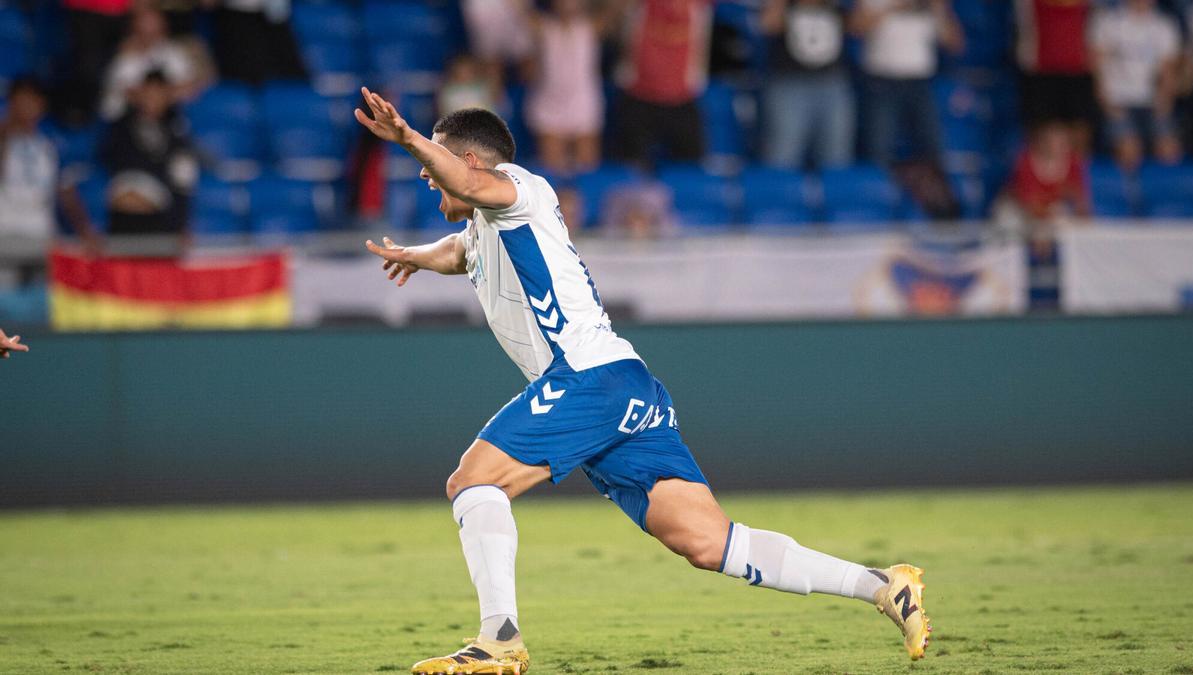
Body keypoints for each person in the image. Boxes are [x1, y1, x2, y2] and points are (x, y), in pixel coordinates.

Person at [353, 87, 932, 674]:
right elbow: (461, 251)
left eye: (438, 163)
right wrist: (421, 254)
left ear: (471, 162)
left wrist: (408, 139)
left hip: (587, 377)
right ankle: (884, 585)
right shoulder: (485, 224)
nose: (428, 177)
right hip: (622, 387)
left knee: (474, 483)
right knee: (710, 543)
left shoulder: (521, 188)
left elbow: (472, 187)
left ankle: (498, 639)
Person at [849, 0, 964, 167]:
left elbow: (955, 44)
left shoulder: (930, 4)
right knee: (878, 151)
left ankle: (931, 191)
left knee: (933, 149)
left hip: (920, 84)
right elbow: (855, 29)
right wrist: (895, 6)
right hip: (882, 82)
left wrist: (939, 9)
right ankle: (880, 192)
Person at [0, 77, 98, 270]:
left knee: (46, 293)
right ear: (11, 102)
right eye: (22, 99)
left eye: (33, 100)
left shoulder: (49, 144)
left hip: (41, 231)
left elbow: (66, 191)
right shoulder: (4, 138)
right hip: (5, 230)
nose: (28, 105)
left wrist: (85, 230)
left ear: (42, 105)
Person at [523, 0, 624, 175]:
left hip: (583, 103)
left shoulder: (591, 28)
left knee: (588, 171)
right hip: (550, 104)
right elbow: (519, 9)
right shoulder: (544, 27)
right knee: (551, 172)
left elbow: (616, 7)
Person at [99, 70, 198, 243]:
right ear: (139, 94)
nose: (151, 100)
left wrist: (181, 226)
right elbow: (105, 155)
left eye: (158, 94)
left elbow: (183, 181)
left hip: (156, 221)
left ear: (167, 97)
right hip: (120, 220)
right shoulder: (120, 127)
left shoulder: (176, 136)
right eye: (147, 93)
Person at [610, 0, 712, 167]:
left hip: (682, 97)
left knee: (691, 171)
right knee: (628, 170)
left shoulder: (696, 6)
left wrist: (697, 75)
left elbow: (701, 35)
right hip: (639, 95)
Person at [759, 0, 855, 169]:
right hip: (789, 84)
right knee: (783, 154)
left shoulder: (837, 6)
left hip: (832, 83)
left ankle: (833, 196)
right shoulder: (786, 5)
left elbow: (860, 26)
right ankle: (780, 195)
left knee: (836, 157)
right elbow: (767, 24)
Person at [1089, 0, 1184, 170]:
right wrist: (1106, 101)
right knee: (1128, 150)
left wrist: (1164, 103)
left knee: (1169, 151)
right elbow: (1098, 66)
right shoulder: (1109, 22)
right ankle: (1129, 193)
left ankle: (1161, 195)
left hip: (1152, 100)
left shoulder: (1163, 25)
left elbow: (1167, 70)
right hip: (1117, 100)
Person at [99, 4, 210, 121]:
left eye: (155, 29)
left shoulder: (171, 51)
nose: (150, 34)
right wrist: (148, 98)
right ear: (135, 29)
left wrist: (161, 96)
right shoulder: (126, 56)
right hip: (127, 119)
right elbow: (121, 91)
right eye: (144, 29)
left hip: (170, 117)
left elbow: (188, 85)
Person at [1014, 0, 1096, 153]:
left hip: (1077, 71)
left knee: (1080, 132)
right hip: (1042, 72)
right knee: (1041, 133)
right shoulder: (1031, 4)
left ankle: (1076, 173)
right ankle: (1037, 175)